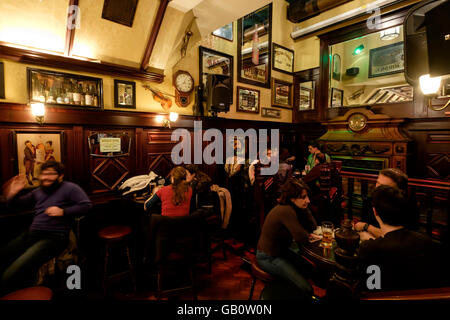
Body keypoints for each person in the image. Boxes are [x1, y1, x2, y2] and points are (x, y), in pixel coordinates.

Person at [0, 161, 92, 294]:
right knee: (3, 255)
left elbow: (86, 206)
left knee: (12, 272)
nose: (45, 177)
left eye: (50, 174)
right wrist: (12, 194)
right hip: (33, 234)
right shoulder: (38, 191)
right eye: (43, 174)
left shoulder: (70, 188)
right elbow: (19, 204)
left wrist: (63, 211)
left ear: (60, 176)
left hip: (55, 237)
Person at [358, 185, 444, 291]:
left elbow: (371, 287)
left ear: (375, 211)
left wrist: (370, 242)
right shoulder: (426, 241)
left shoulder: (370, 249)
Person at [256, 178, 320, 299]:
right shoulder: (286, 210)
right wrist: (307, 235)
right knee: (307, 289)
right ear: (292, 198)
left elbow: (313, 227)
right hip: (268, 257)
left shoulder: (293, 208)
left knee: (310, 270)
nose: (308, 200)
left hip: (281, 252)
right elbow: (301, 237)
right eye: (303, 197)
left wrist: (305, 207)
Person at [354, 168, 415, 238]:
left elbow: (398, 238)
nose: (377, 188)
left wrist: (367, 227)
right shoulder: (370, 200)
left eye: (384, 187)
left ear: (399, 191)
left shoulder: (407, 206)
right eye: (377, 183)